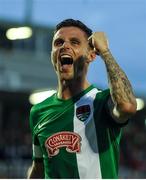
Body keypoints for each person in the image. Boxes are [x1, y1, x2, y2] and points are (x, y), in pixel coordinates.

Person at [28, 19, 137, 179]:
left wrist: (105, 52)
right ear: (52, 54)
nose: (64, 46)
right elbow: (38, 169)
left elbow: (127, 106)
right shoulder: (38, 112)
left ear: (91, 55)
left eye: (74, 42)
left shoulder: (102, 101)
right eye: (58, 42)